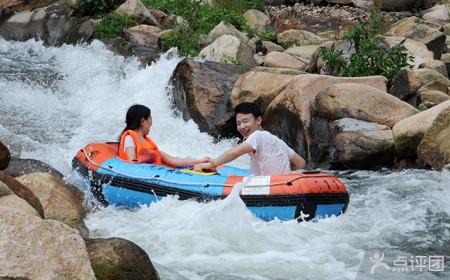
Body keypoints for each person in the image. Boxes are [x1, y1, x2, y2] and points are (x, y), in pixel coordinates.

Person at [194, 102, 306, 175]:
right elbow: (301, 163)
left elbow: (235, 152)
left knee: (230, 176)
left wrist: (210, 164)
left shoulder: (257, 136)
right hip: (281, 186)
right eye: (238, 123)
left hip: (270, 189)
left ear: (258, 120)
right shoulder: (278, 141)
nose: (242, 127)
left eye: (245, 121)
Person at [118, 104, 211, 167]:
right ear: (143, 121)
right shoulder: (129, 138)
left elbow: (173, 160)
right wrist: (146, 159)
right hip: (143, 178)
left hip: (154, 175)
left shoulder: (147, 143)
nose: (151, 123)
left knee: (188, 159)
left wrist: (200, 161)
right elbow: (131, 162)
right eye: (150, 119)